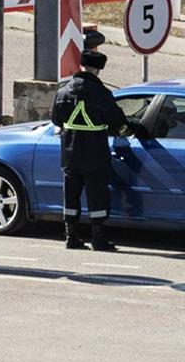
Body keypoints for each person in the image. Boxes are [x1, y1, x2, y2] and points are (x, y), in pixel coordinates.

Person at [50, 49, 145, 251]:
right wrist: (130, 132)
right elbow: (118, 122)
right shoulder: (102, 94)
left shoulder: (63, 92)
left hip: (70, 154)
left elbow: (56, 120)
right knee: (97, 196)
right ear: (99, 70)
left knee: (71, 195)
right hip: (95, 154)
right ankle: (98, 238)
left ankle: (70, 236)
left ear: (81, 66)